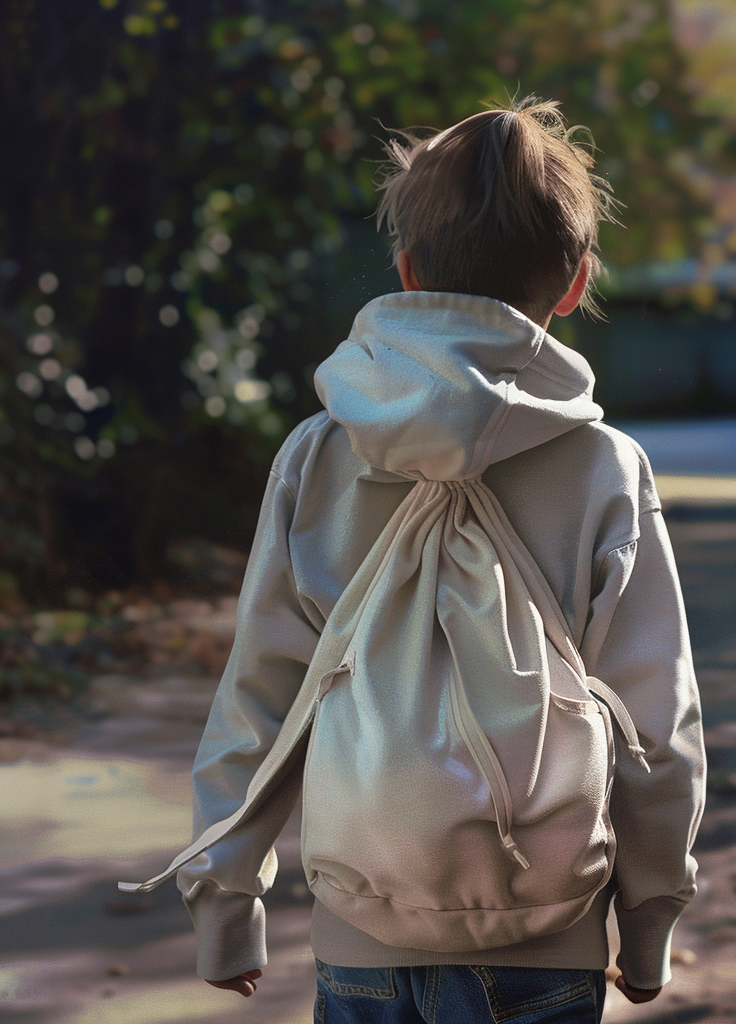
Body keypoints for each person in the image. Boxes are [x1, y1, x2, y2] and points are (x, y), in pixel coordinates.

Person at [181, 97, 706, 1023]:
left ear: (409, 270)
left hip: (363, 928)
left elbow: (262, 691)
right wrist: (650, 915)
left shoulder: (319, 452)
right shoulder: (604, 466)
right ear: (578, 283)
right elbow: (655, 725)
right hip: (550, 934)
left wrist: (226, 900)